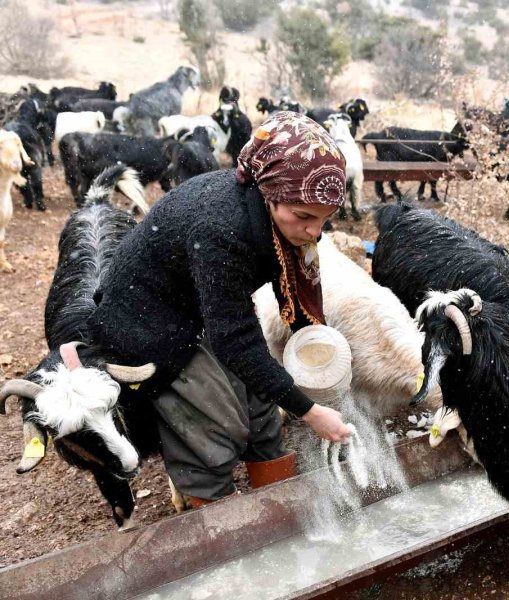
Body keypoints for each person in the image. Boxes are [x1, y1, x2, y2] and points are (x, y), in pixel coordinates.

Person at [86, 112, 353, 507]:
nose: (314, 232)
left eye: (325, 220)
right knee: (213, 425)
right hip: (148, 326)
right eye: (304, 217)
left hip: (200, 303)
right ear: (270, 192)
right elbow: (236, 341)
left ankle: (282, 513)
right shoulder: (221, 229)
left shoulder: (275, 215)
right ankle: (222, 532)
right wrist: (310, 412)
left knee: (261, 410)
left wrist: (311, 348)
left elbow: (275, 307)